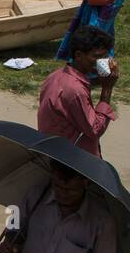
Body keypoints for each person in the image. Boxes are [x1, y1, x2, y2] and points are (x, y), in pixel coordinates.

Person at [38, 26, 118, 158]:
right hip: (70, 159)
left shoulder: (56, 76)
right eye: (97, 57)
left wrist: (101, 81)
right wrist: (107, 89)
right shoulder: (76, 91)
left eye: (105, 57)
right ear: (79, 55)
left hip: (51, 149)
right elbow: (95, 129)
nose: (102, 62)